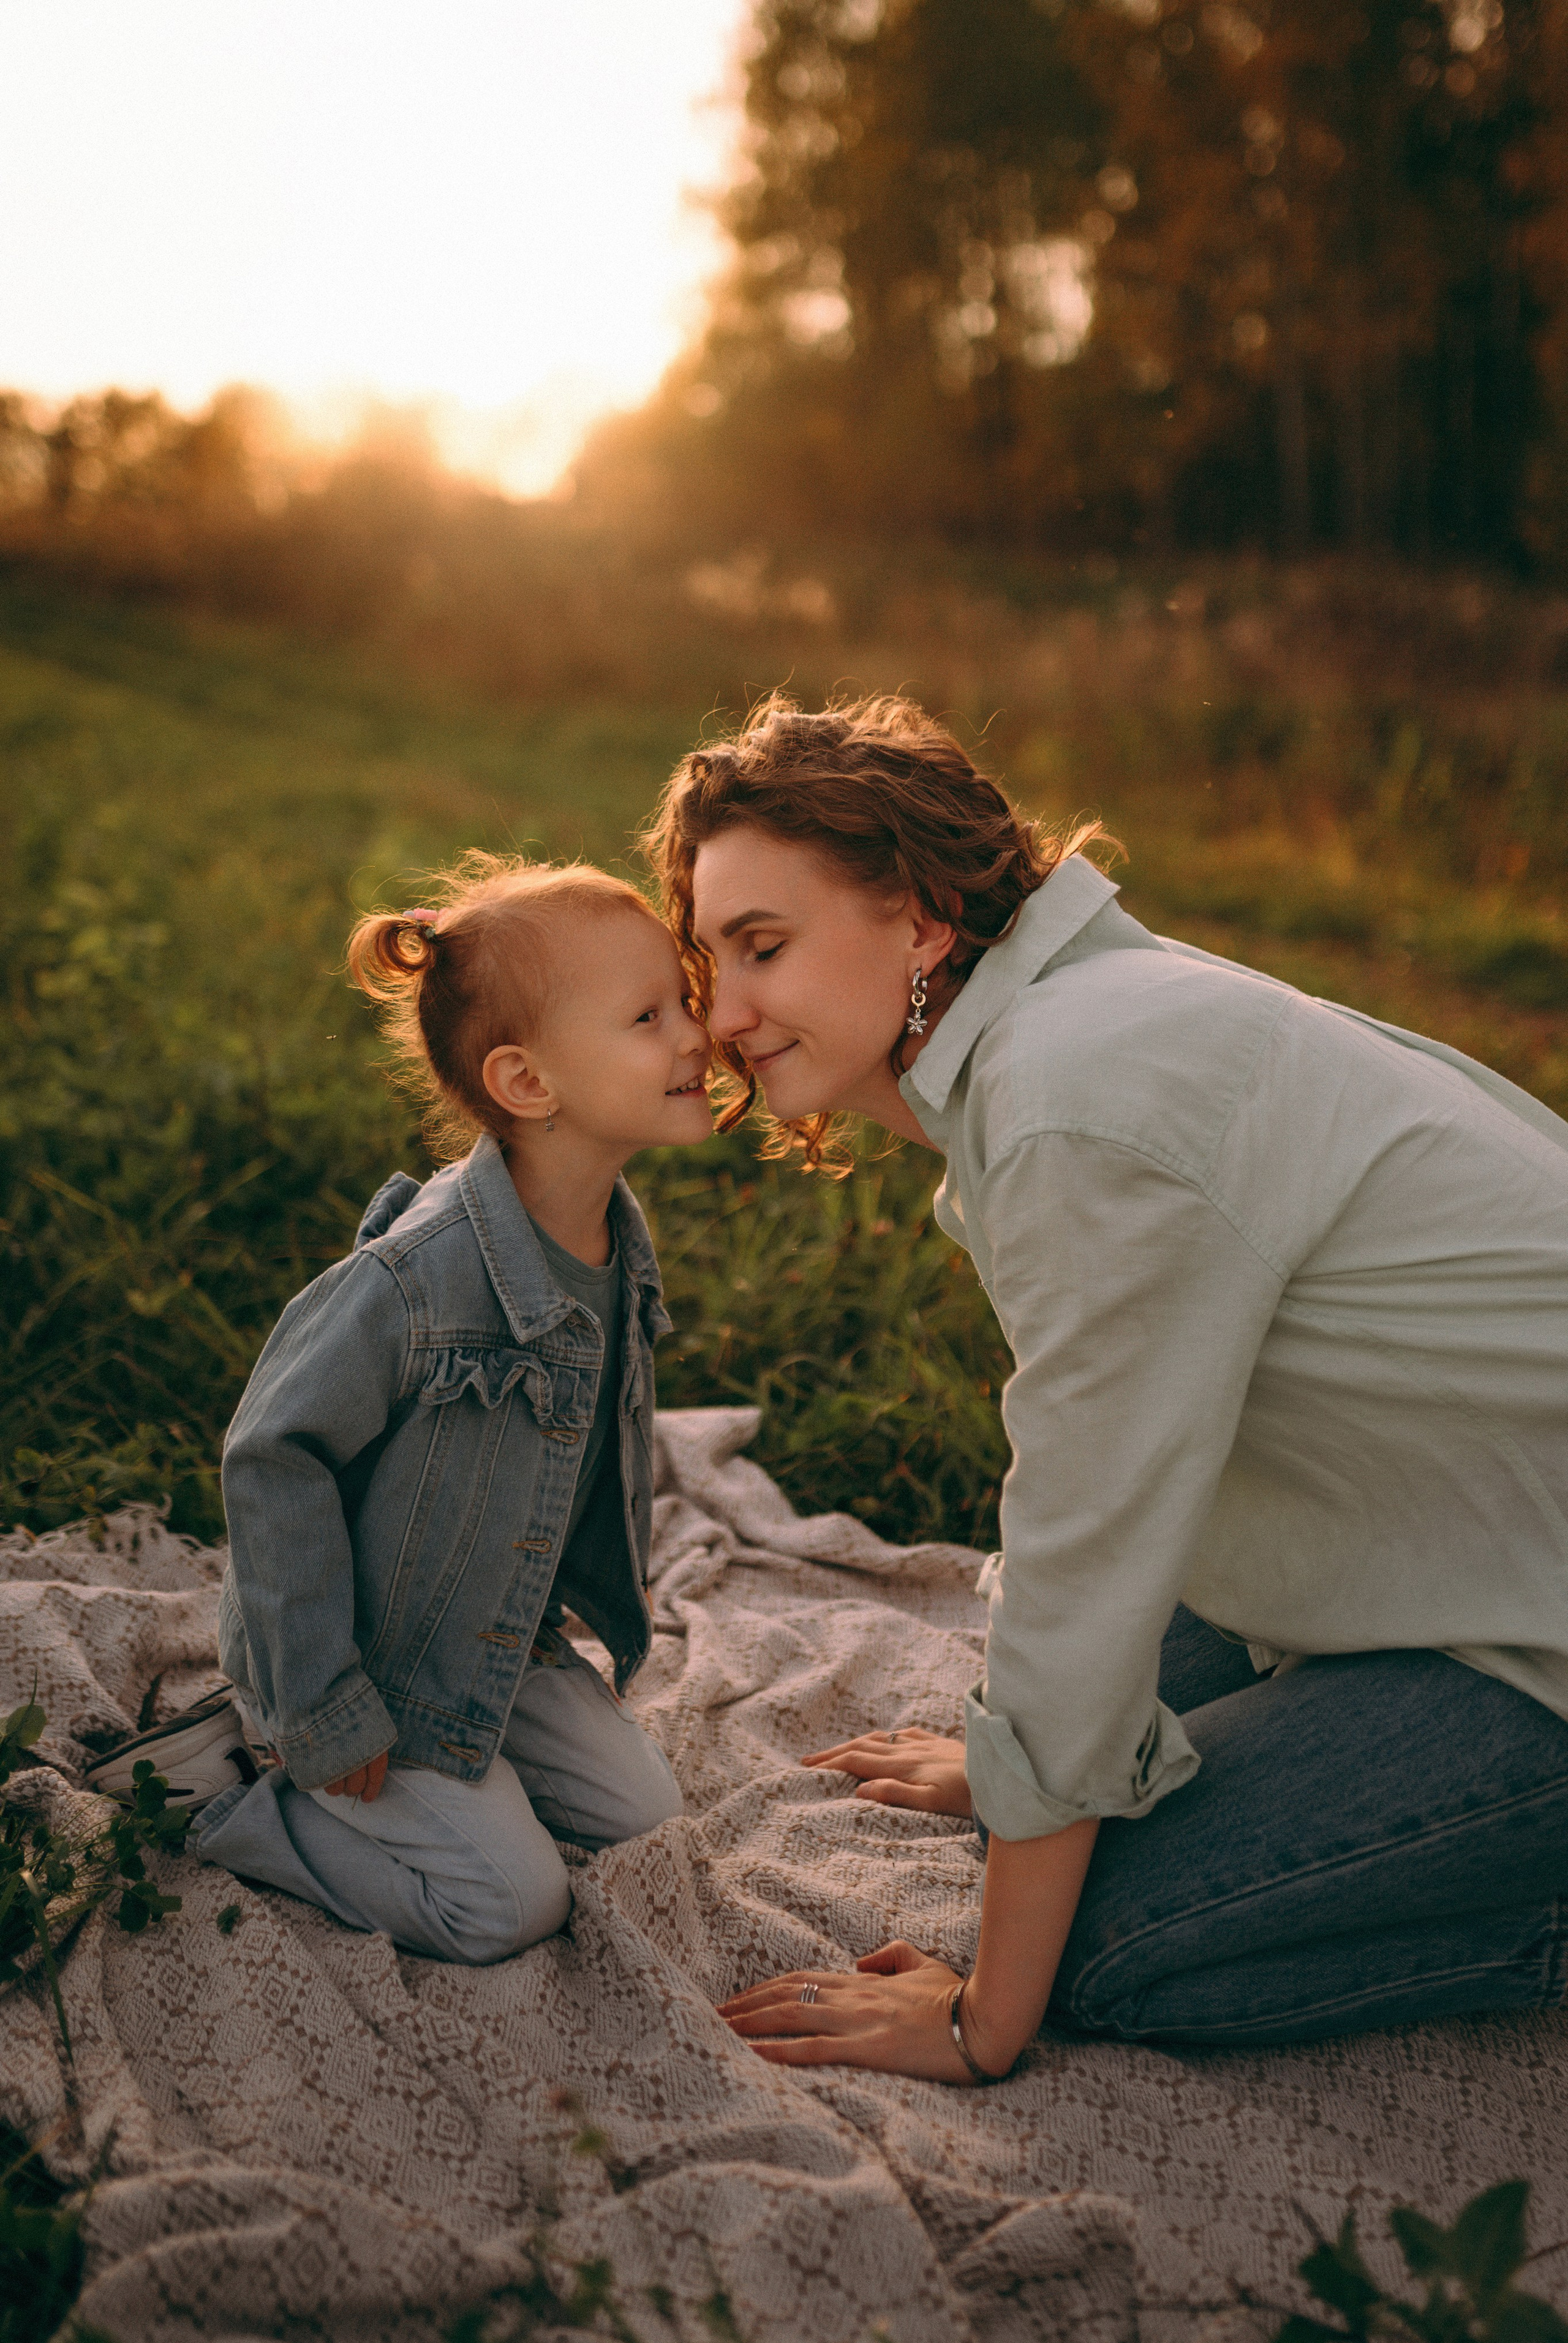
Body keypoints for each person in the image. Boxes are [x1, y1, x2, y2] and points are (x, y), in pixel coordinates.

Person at [645, 693, 1568, 2075]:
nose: (720, 1013)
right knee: (1055, 1767)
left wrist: (980, 2018)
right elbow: (1112, 1468)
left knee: (1106, 1942)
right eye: (705, 961)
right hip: (1443, 1533)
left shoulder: (1077, 1099)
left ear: (922, 917)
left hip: (1530, 1622)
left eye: (761, 947)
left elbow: (1084, 1566)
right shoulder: (1079, 1027)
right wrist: (1016, 1763)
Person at [94, 858, 709, 1963]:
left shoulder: (613, 1241)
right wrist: (323, 1707)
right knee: (509, 1908)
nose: (693, 1039)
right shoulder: (418, 1280)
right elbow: (271, 1453)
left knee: (650, 1823)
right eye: (648, 1017)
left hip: (489, 1636)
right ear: (528, 1083)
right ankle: (235, 1787)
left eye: (685, 1004)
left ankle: (457, 1764)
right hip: (365, 1657)